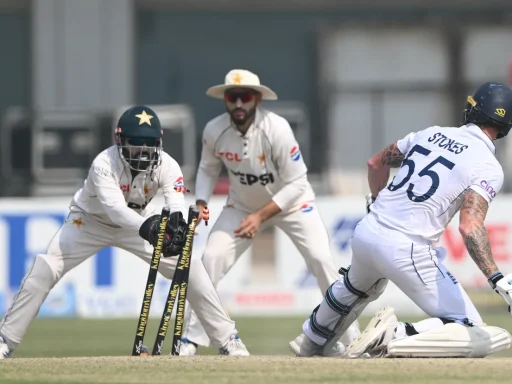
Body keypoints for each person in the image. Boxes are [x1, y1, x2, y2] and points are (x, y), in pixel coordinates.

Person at [0, 105, 249, 358]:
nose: (143, 151)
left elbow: (175, 204)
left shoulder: (169, 165)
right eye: (135, 143)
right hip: (89, 223)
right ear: (120, 141)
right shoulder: (103, 164)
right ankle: (5, 340)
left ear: (159, 142)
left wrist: (176, 225)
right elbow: (115, 210)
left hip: (140, 221)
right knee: (45, 267)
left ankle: (228, 340)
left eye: (149, 144)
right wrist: (150, 229)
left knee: (190, 267)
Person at [289, 82, 512, 359]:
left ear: (472, 110)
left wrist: (375, 201)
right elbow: (469, 226)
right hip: (408, 247)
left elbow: (375, 163)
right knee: (471, 328)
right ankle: (393, 334)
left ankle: (310, 340)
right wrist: (497, 277)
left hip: (368, 230)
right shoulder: (488, 166)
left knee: (355, 287)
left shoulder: (432, 133)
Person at [179, 69, 360, 356]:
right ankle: (189, 340)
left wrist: (261, 216)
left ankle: (352, 339)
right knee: (210, 259)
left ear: (257, 99)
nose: (239, 104)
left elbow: (298, 182)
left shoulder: (276, 129)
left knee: (321, 259)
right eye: (232, 97)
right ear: (225, 99)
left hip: (294, 205)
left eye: (245, 97)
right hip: (241, 206)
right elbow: (207, 168)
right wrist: (201, 200)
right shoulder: (214, 130)